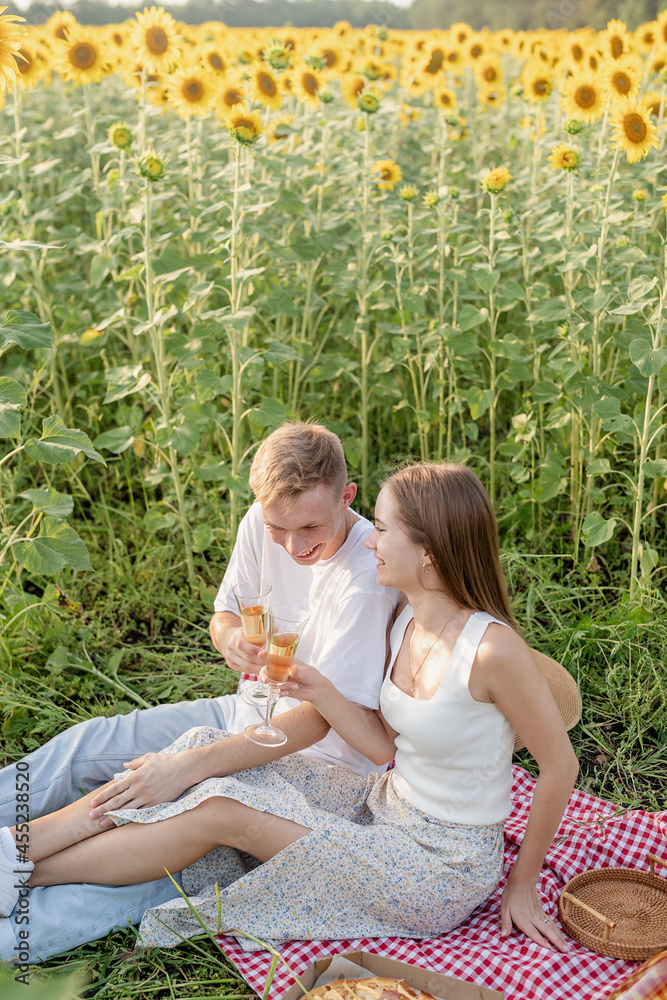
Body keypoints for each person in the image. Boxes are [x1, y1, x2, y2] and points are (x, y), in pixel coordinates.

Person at [3, 462, 579, 956]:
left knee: (224, 810)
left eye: (381, 529)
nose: (369, 540)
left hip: (437, 868)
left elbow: (560, 767)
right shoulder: (408, 617)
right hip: (382, 809)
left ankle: (23, 867)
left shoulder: (493, 649)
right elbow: (384, 748)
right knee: (201, 750)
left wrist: (522, 883)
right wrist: (321, 688)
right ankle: (21, 847)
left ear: (428, 551)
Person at [0, 423, 398, 961]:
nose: (294, 545)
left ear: (347, 497)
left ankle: (20, 907)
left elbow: (316, 720)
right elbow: (225, 612)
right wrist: (230, 637)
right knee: (88, 746)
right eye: (279, 529)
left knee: (149, 856)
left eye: (311, 528)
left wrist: (191, 766)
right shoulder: (263, 521)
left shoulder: (364, 581)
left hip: (309, 760)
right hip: (241, 712)